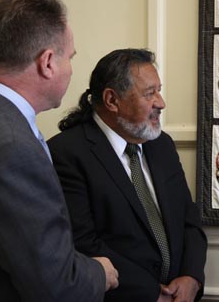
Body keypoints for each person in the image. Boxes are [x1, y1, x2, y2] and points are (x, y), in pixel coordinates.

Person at [0, 0, 119, 302]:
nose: (70, 68)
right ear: (48, 62)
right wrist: (99, 273)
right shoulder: (12, 148)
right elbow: (56, 287)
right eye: (71, 57)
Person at [48, 48, 207, 302]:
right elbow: (83, 243)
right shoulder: (66, 153)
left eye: (159, 89)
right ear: (112, 100)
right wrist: (152, 294)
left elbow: (188, 218)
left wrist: (191, 277)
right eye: (149, 93)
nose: (161, 102)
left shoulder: (161, 145)